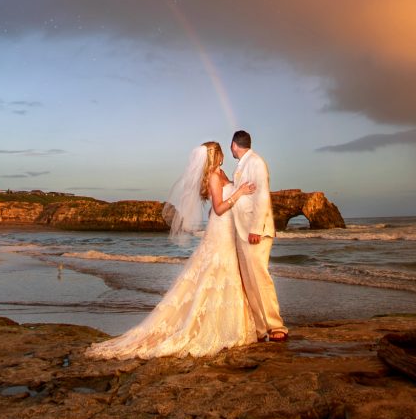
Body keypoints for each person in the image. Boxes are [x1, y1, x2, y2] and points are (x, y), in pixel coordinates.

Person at [86, 141, 257, 359]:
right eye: (221, 151)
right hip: (220, 228)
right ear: (217, 156)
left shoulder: (221, 172)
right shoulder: (214, 177)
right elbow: (219, 208)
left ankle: (231, 323)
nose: (224, 154)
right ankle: (210, 327)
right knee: (215, 271)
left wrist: (243, 190)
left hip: (229, 229)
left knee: (225, 273)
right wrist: (239, 192)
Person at [231, 130, 288, 342]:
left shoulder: (256, 162)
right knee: (249, 280)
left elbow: (262, 195)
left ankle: (275, 326)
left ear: (234, 145)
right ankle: (260, 327)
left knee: (260, 277)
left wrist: (255, 228)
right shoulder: (242, 165)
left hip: (254, 231)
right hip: (242, 231)